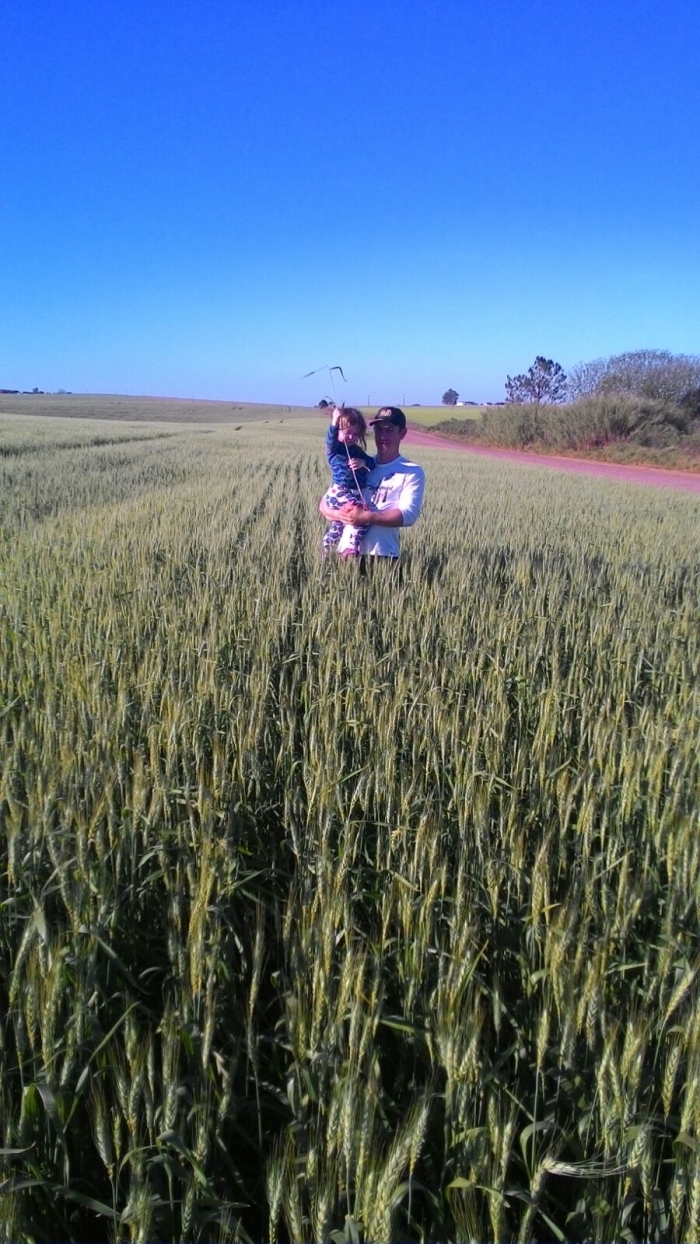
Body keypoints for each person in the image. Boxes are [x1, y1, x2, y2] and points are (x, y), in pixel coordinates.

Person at [318, 406, 425, 561]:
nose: (383, 435)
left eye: (389, 430)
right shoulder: (358, 464)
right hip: (345, 555)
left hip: (381, 555)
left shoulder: (411, 471)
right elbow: (324, 505)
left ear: (402, 433)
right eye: (379, 430)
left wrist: (366, 517)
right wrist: (340, 515)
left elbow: (408, 515)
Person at [321, 406, 376, 555]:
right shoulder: (335, 449)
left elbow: (372, 462)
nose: (351, 437)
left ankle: (326, 549)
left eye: (356, 434)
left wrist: (362, 463)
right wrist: (334, 420)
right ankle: (352, 547)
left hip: (351, 493)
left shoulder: (357, 451)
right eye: (347, 433)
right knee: (363, 515)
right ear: (338, 431)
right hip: (340, 491)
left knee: (338, 526)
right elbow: (330, 440)